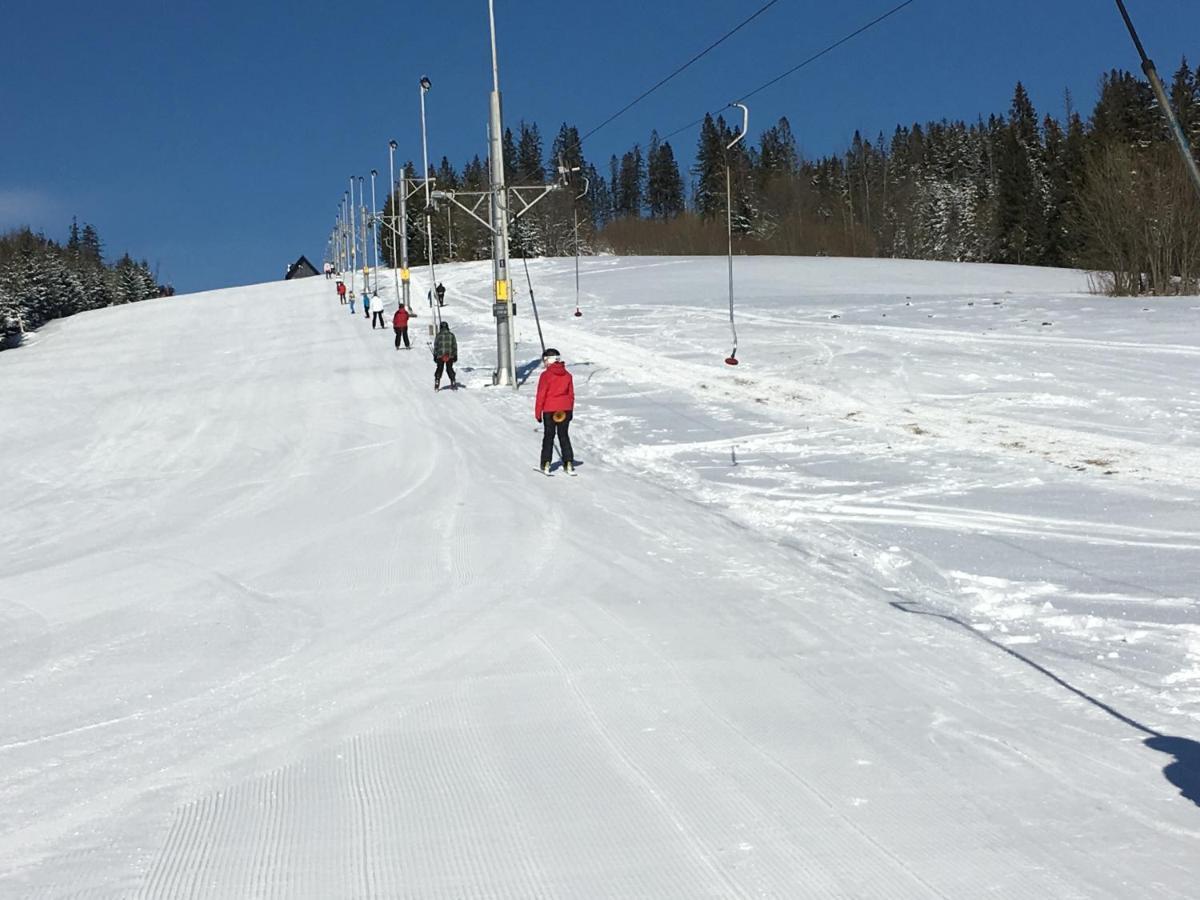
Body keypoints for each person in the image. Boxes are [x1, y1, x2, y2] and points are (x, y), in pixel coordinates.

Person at [534, 347, 575, 475]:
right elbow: (571, 394)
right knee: (564, 435)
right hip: (565, 409)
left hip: (550, 409)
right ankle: (568, 462)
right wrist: (570, 410)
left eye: (544, 361)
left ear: (548, 360)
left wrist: (538, 412)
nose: (544, 364)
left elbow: (541, 394)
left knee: (549, 436)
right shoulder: (567, 375)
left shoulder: (546, 375)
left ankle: (546, 463)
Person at [432, 320, 458, 391]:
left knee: (439, 368)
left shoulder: (438, 335)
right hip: (450, 355)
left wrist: (435, 355)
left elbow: (436, 346)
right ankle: (453, 380)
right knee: (449, 368)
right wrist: (455, 355)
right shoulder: (451, 335)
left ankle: (437, 380)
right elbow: (454, 346)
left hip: (440, 355)